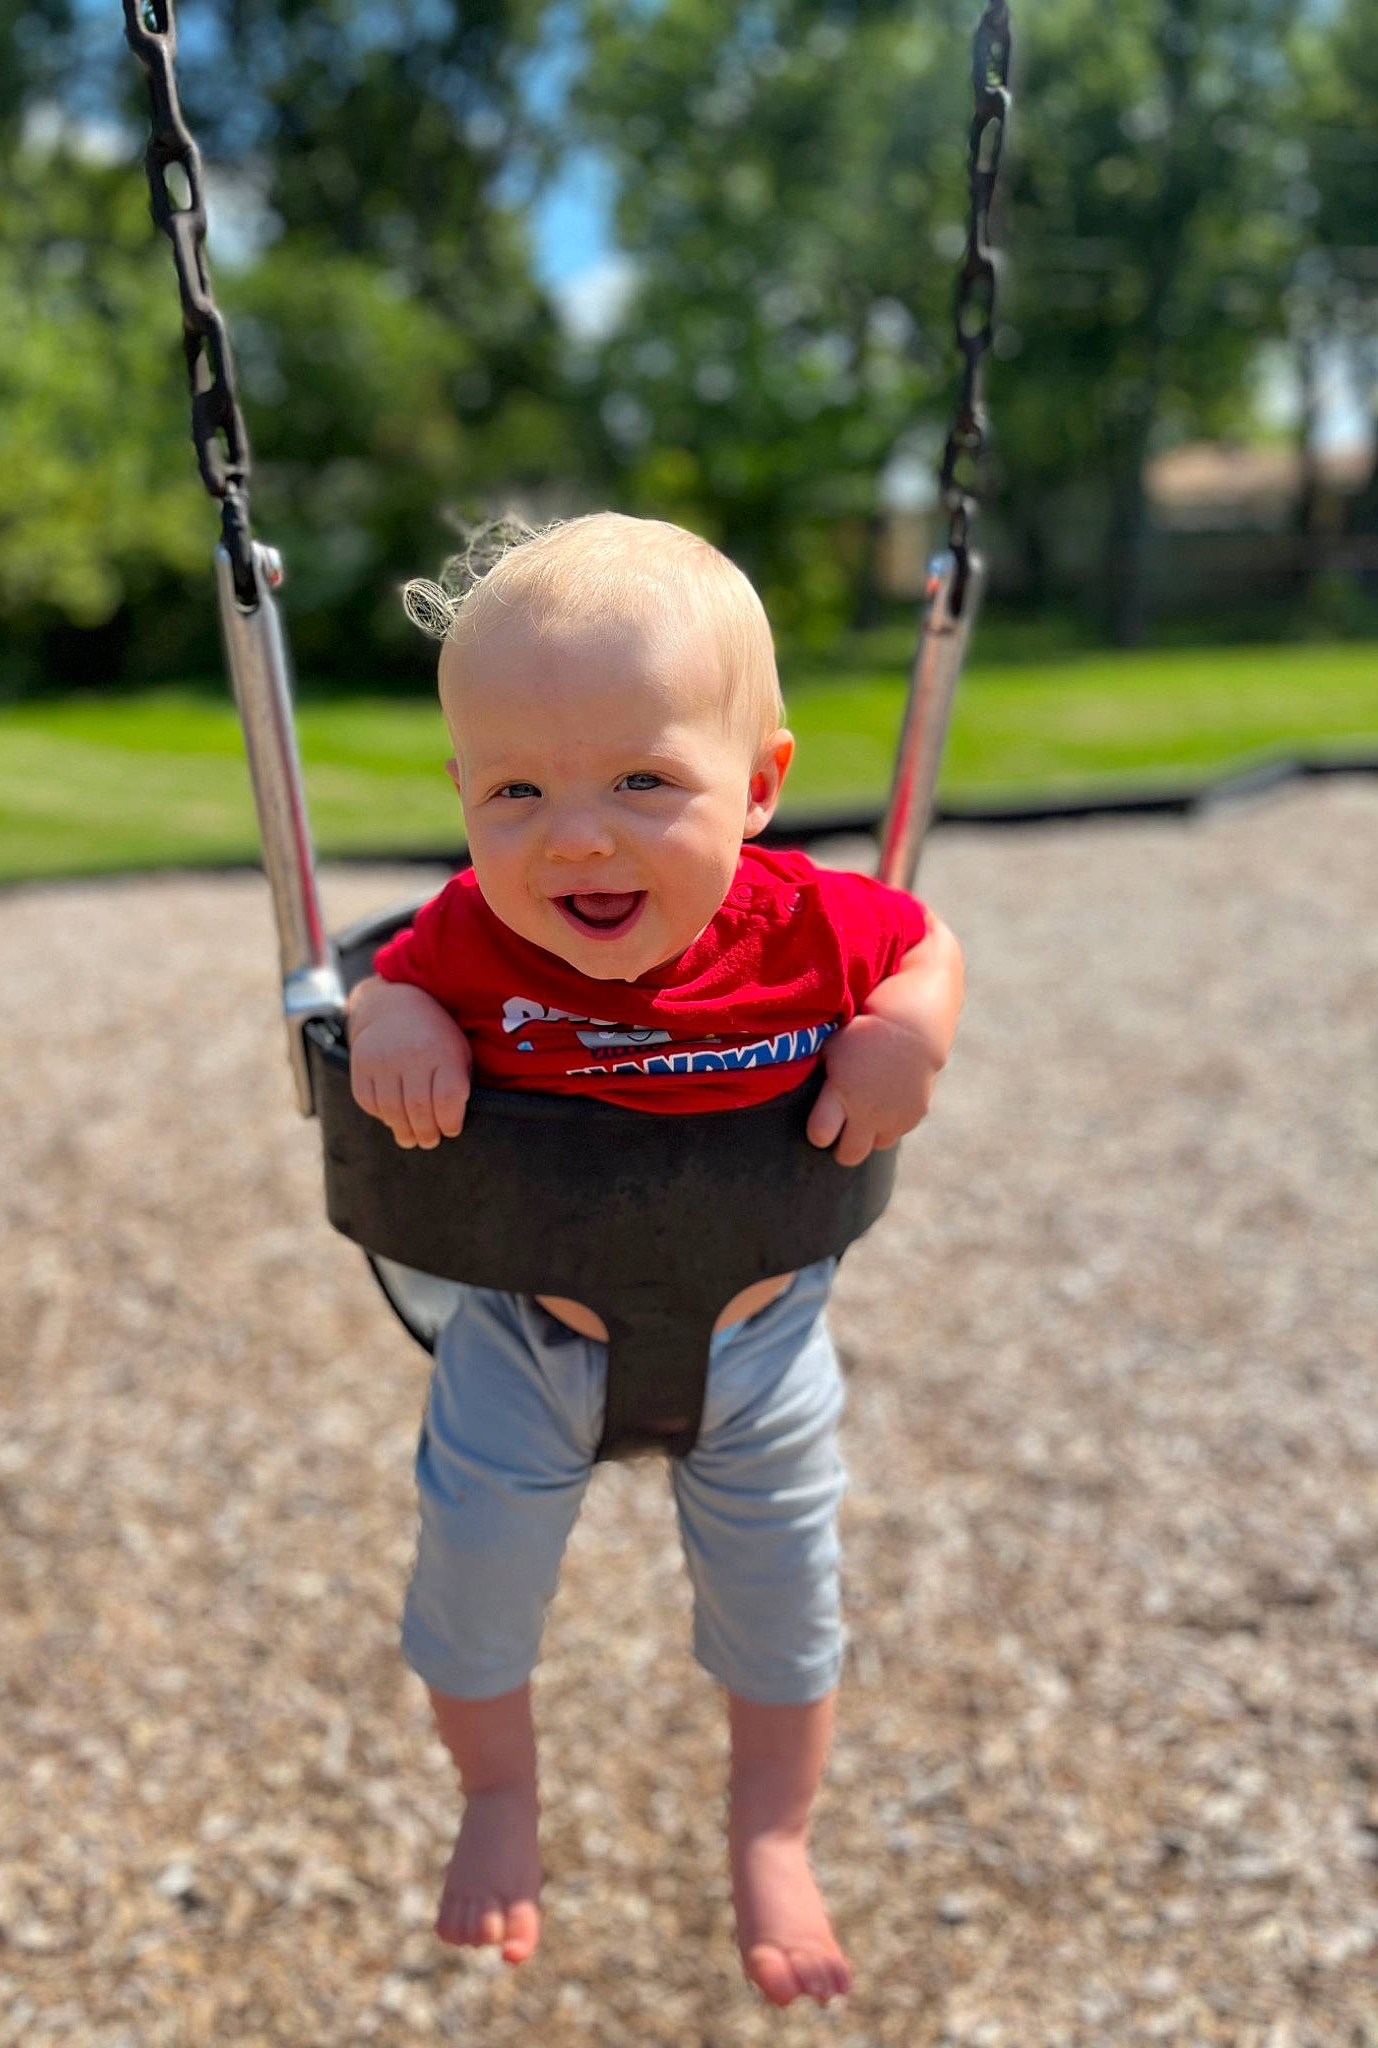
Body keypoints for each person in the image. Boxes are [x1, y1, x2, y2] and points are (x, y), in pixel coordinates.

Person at [345, 513, 964, 2008]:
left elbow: (928, 945)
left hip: (760, 1348)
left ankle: (774, 1834)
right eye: (518, 789)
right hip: (526, 1342)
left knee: (787, 1604)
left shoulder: (816, 924)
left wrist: (908, 1030)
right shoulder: (470, 936)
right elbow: (377, 990)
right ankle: (498, 1797)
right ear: (464, 801)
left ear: (757, 788)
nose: (578, 834)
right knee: (468, 1595)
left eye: (643, 780)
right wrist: (403, 1028)